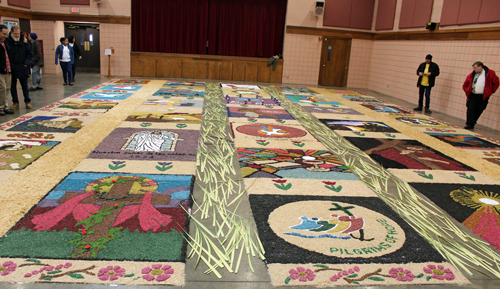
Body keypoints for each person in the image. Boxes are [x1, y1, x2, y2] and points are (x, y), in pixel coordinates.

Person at [462, 61, 499, 130]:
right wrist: (467, 90)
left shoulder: (490, 73)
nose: (474, 69)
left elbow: (496, 82)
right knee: (470, 108)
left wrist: (491, 91)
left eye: (475, 68)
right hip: (473, 94)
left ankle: (473, 122)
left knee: (480, 109)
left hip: (483, 96)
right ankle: (469, 124)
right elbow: (465, 83)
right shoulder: (472, 74)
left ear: (480, 67)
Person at [5, 26, 33, 109]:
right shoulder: (7, 42)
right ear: (12, 32)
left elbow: (30, 54)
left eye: (18, 33)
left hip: (22, 67)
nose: (17, 35)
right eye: (15, 33)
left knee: (25, 86)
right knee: (12, 86)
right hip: (12, 67)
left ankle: (27, 101)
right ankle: (15, 102)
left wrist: (26, 64)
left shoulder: (24, 42)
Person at [0, 25, 15, 116]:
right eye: (3, 34)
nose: (5, 36)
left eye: (6, 34)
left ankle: (5, 106)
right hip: (1, 70)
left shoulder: (5, 43)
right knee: (2, 88)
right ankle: (0, 107)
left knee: (7, 88)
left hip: (8, 69)